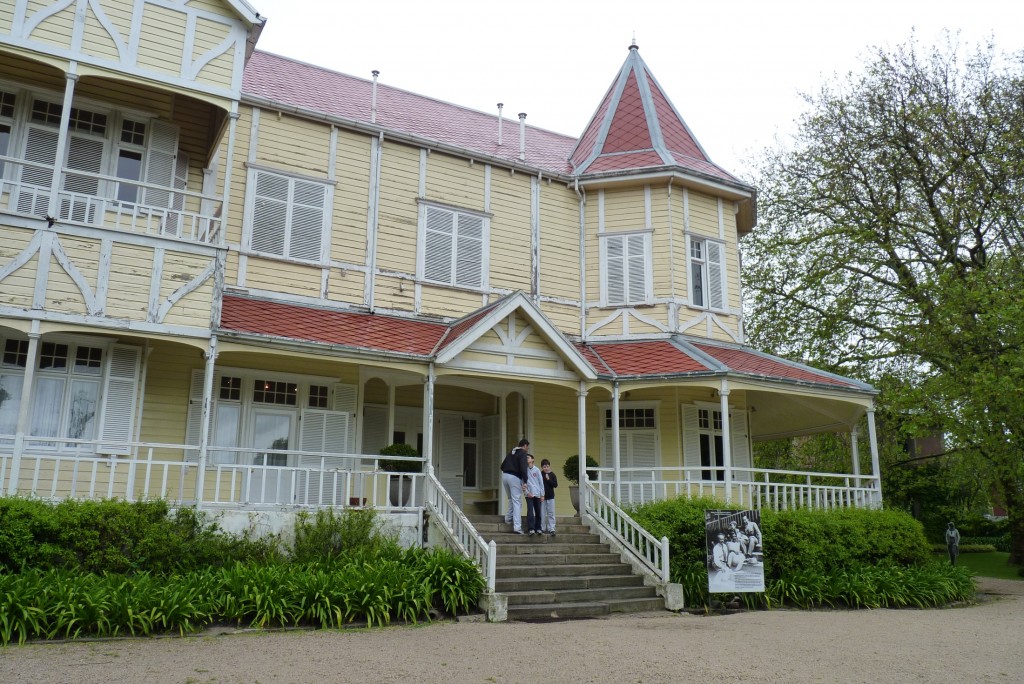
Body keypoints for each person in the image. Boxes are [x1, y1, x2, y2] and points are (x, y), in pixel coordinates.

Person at [500, 439, 530, 534]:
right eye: (527, 446)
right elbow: (523, 468)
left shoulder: (511, 452)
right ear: (524, 445)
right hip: (514, 478)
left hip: (505, 476)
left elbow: (502, 466)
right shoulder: (522, 454)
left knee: (510, 499)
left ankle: (508, 519)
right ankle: (517, 527)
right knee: (517, 501)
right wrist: (525, 481)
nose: (528, 448)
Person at [524, 454, 545, 535]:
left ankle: (538, 528)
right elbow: (523, 482)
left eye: (528, 457)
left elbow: (541, 483)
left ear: (532, 460)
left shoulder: (537, 470)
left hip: (537, 494)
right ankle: (531, 528)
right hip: (528, 494)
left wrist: (542, 494)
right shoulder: (524, 470)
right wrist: (527, 492)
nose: (527, 459)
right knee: (530, 511)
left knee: (538, 511)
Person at [540, 458, 558, 536]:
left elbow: (555, 485)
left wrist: (549, 479)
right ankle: (542, 528)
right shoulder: (540, 474)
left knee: (551, 513)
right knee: (542, 513)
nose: (546, 468)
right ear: (542, 467)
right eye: (544, 467)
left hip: (550, 497)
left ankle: (552, 528)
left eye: (547, 466)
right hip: (542, 497)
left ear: (549, 466)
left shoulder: (552, 475)